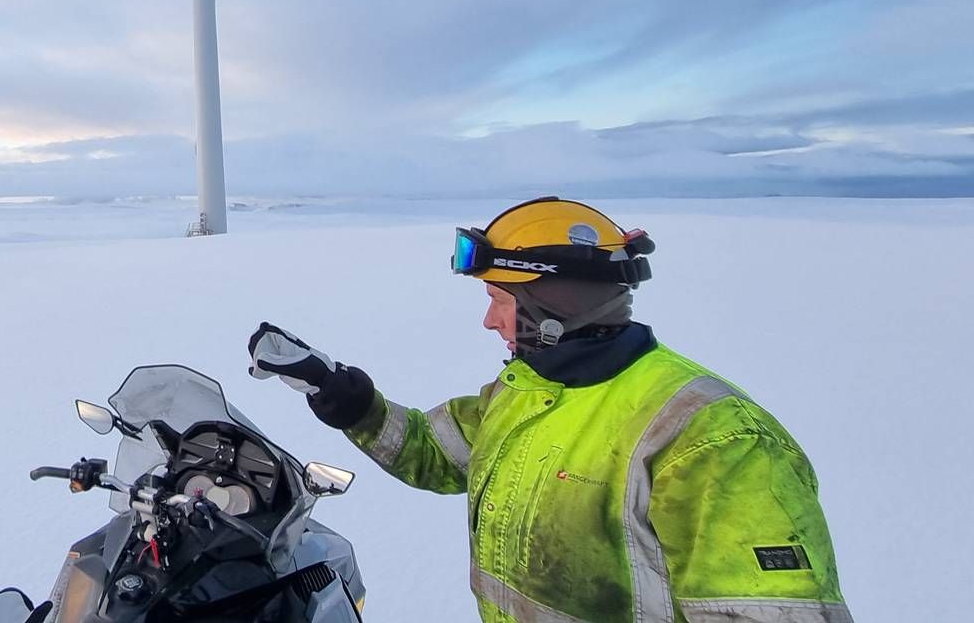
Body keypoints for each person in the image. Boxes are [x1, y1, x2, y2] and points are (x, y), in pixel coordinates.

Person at [248, 197, 850, 623]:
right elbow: (434, 455)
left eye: (498, 300)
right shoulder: (525, 392)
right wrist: (346, 398)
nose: (489, 320)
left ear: (552, 306)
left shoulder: (713, 440)